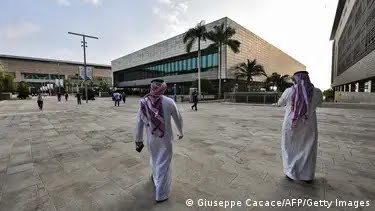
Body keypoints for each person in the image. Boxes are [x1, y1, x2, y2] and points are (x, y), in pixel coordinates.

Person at [134, 79, 183, 203]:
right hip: (165, 140)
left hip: (151, 139)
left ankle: (156, 179)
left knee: (155, 160)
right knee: (163, 164)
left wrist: (138, 140)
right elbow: (178, 118)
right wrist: (180, 131)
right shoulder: (169, 102)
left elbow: (139, 123)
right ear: (163, 89)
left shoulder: (144, 102)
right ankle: (161, 194)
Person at [275, 71, 322, 183]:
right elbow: (320, 103)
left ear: (296, 79)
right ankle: (307, 175)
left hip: (291, 125)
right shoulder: (317, 92)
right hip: (309, 126)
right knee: (308, 148)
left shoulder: (289, 91)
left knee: (290, 147)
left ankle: (291, 172)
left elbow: (279, 103)